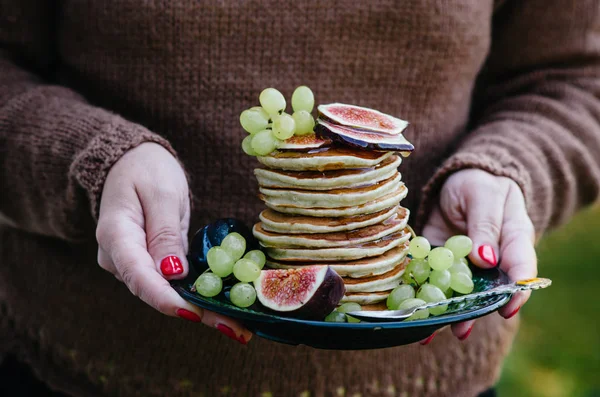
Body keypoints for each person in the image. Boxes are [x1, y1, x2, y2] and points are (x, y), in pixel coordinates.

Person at [1, 1, 598, 396]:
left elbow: (576, 79)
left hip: (422, 375)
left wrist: (509, 169)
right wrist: (92, 159)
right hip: (94, 361)